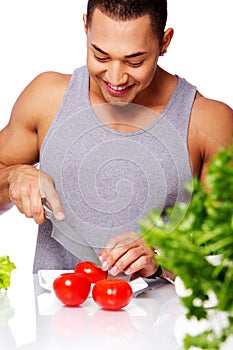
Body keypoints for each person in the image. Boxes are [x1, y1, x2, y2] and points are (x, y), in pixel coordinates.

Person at [0, 0, 232, 280]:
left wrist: (161, 258)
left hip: (162, 321)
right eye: (100, 56)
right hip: (55, 317)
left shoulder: (208, 121)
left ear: (164, 42)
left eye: (135, 61)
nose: (115, 77)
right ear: (86, 27)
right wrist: (12, 176)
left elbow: (222, 256)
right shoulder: (46, 97)